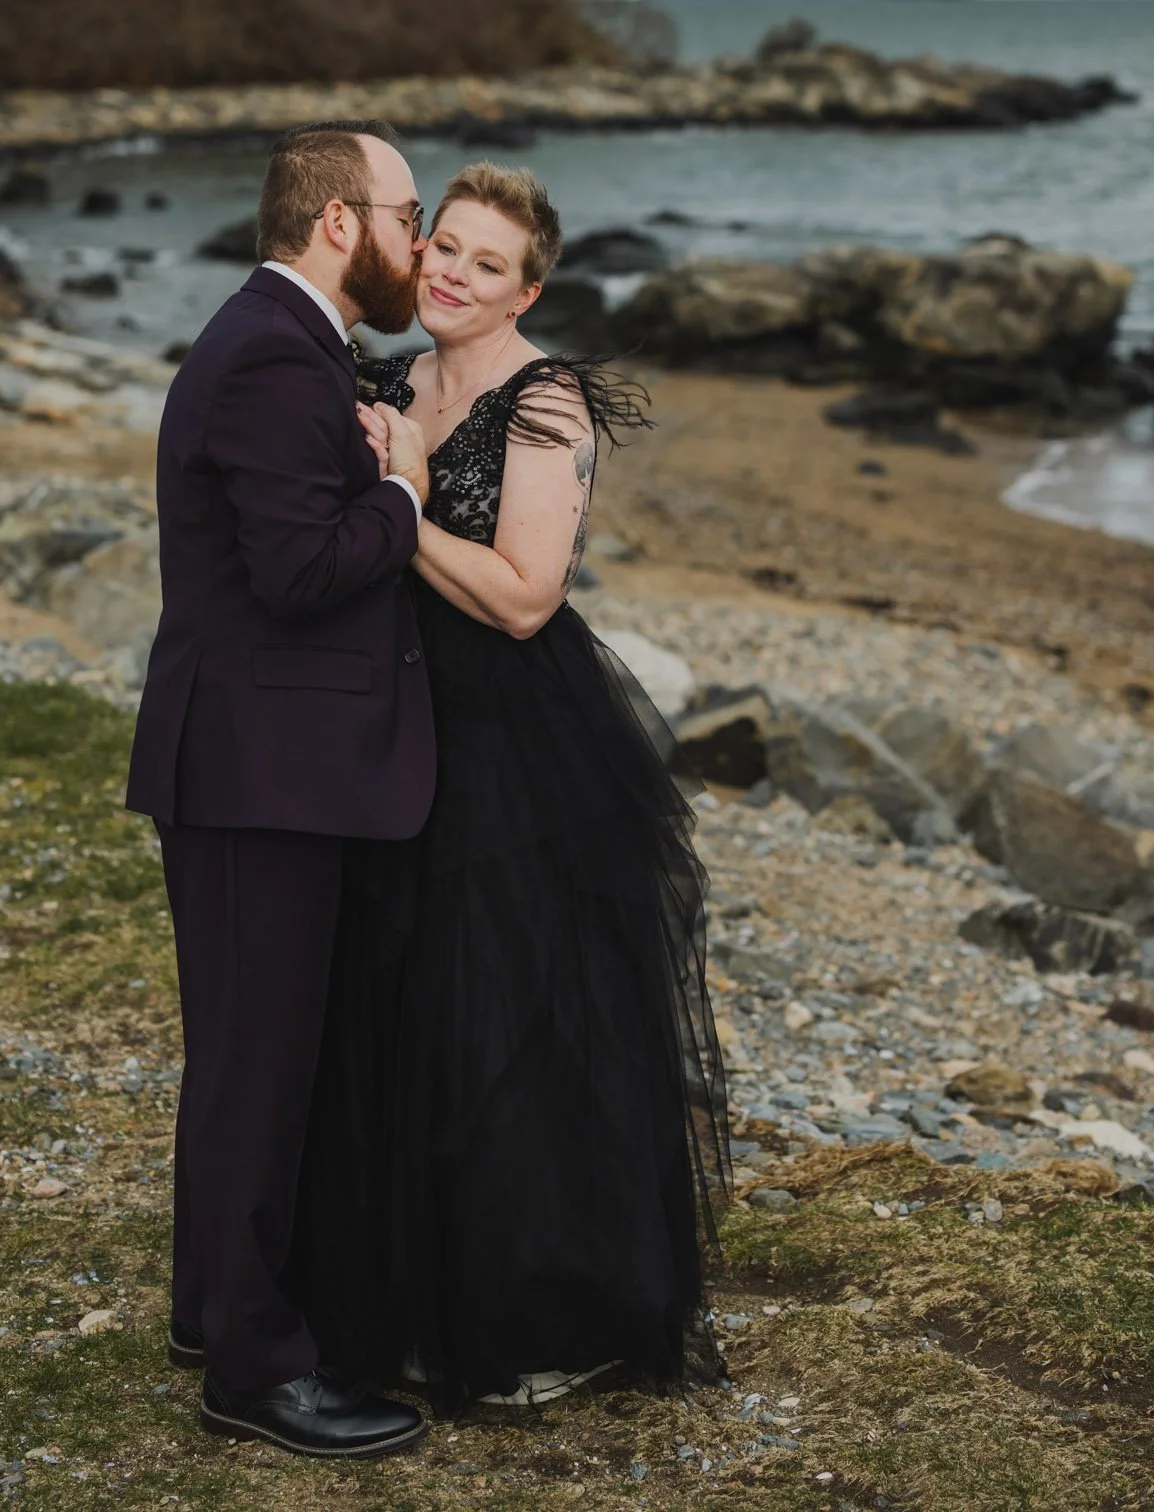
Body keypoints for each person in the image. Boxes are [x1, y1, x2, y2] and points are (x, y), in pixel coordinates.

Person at [296, 160, 730, 1413]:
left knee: (510, 1027)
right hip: (392, 718)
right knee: (393, 1011)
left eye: (489, 265)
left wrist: (406, 499)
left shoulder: (547, 405)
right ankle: (408, 1302)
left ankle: (536, 1312)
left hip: (513, 742)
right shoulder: (387, 381)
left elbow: (531, 597)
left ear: (524, 288)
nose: (454, 275)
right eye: (445, 248)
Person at [126, 118, 441, 1461]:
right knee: (260, 1069)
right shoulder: (267, 353)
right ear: (336, 224)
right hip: (259, 772)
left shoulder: (282, 340)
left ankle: (216, 1307)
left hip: (256, 762)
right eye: (406, 215)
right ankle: (254, 1374)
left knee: (242, 1058)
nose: (417, 244)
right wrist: (404, 493)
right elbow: (299, 570)